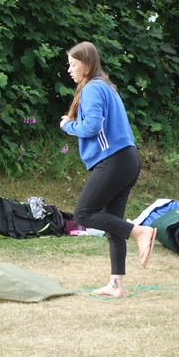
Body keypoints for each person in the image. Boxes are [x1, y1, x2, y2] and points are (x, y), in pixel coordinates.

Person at [59, 41, 157, 298]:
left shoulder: (92, 88)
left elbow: (92, 126)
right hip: (126, 160)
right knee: (112, 223)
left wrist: (68, 125)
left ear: (86, 64)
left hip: (114, 160)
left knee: (83, 213)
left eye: (73, 64)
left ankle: (140, 231)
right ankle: (116, 285)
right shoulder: (106, 86)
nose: (69, 70)